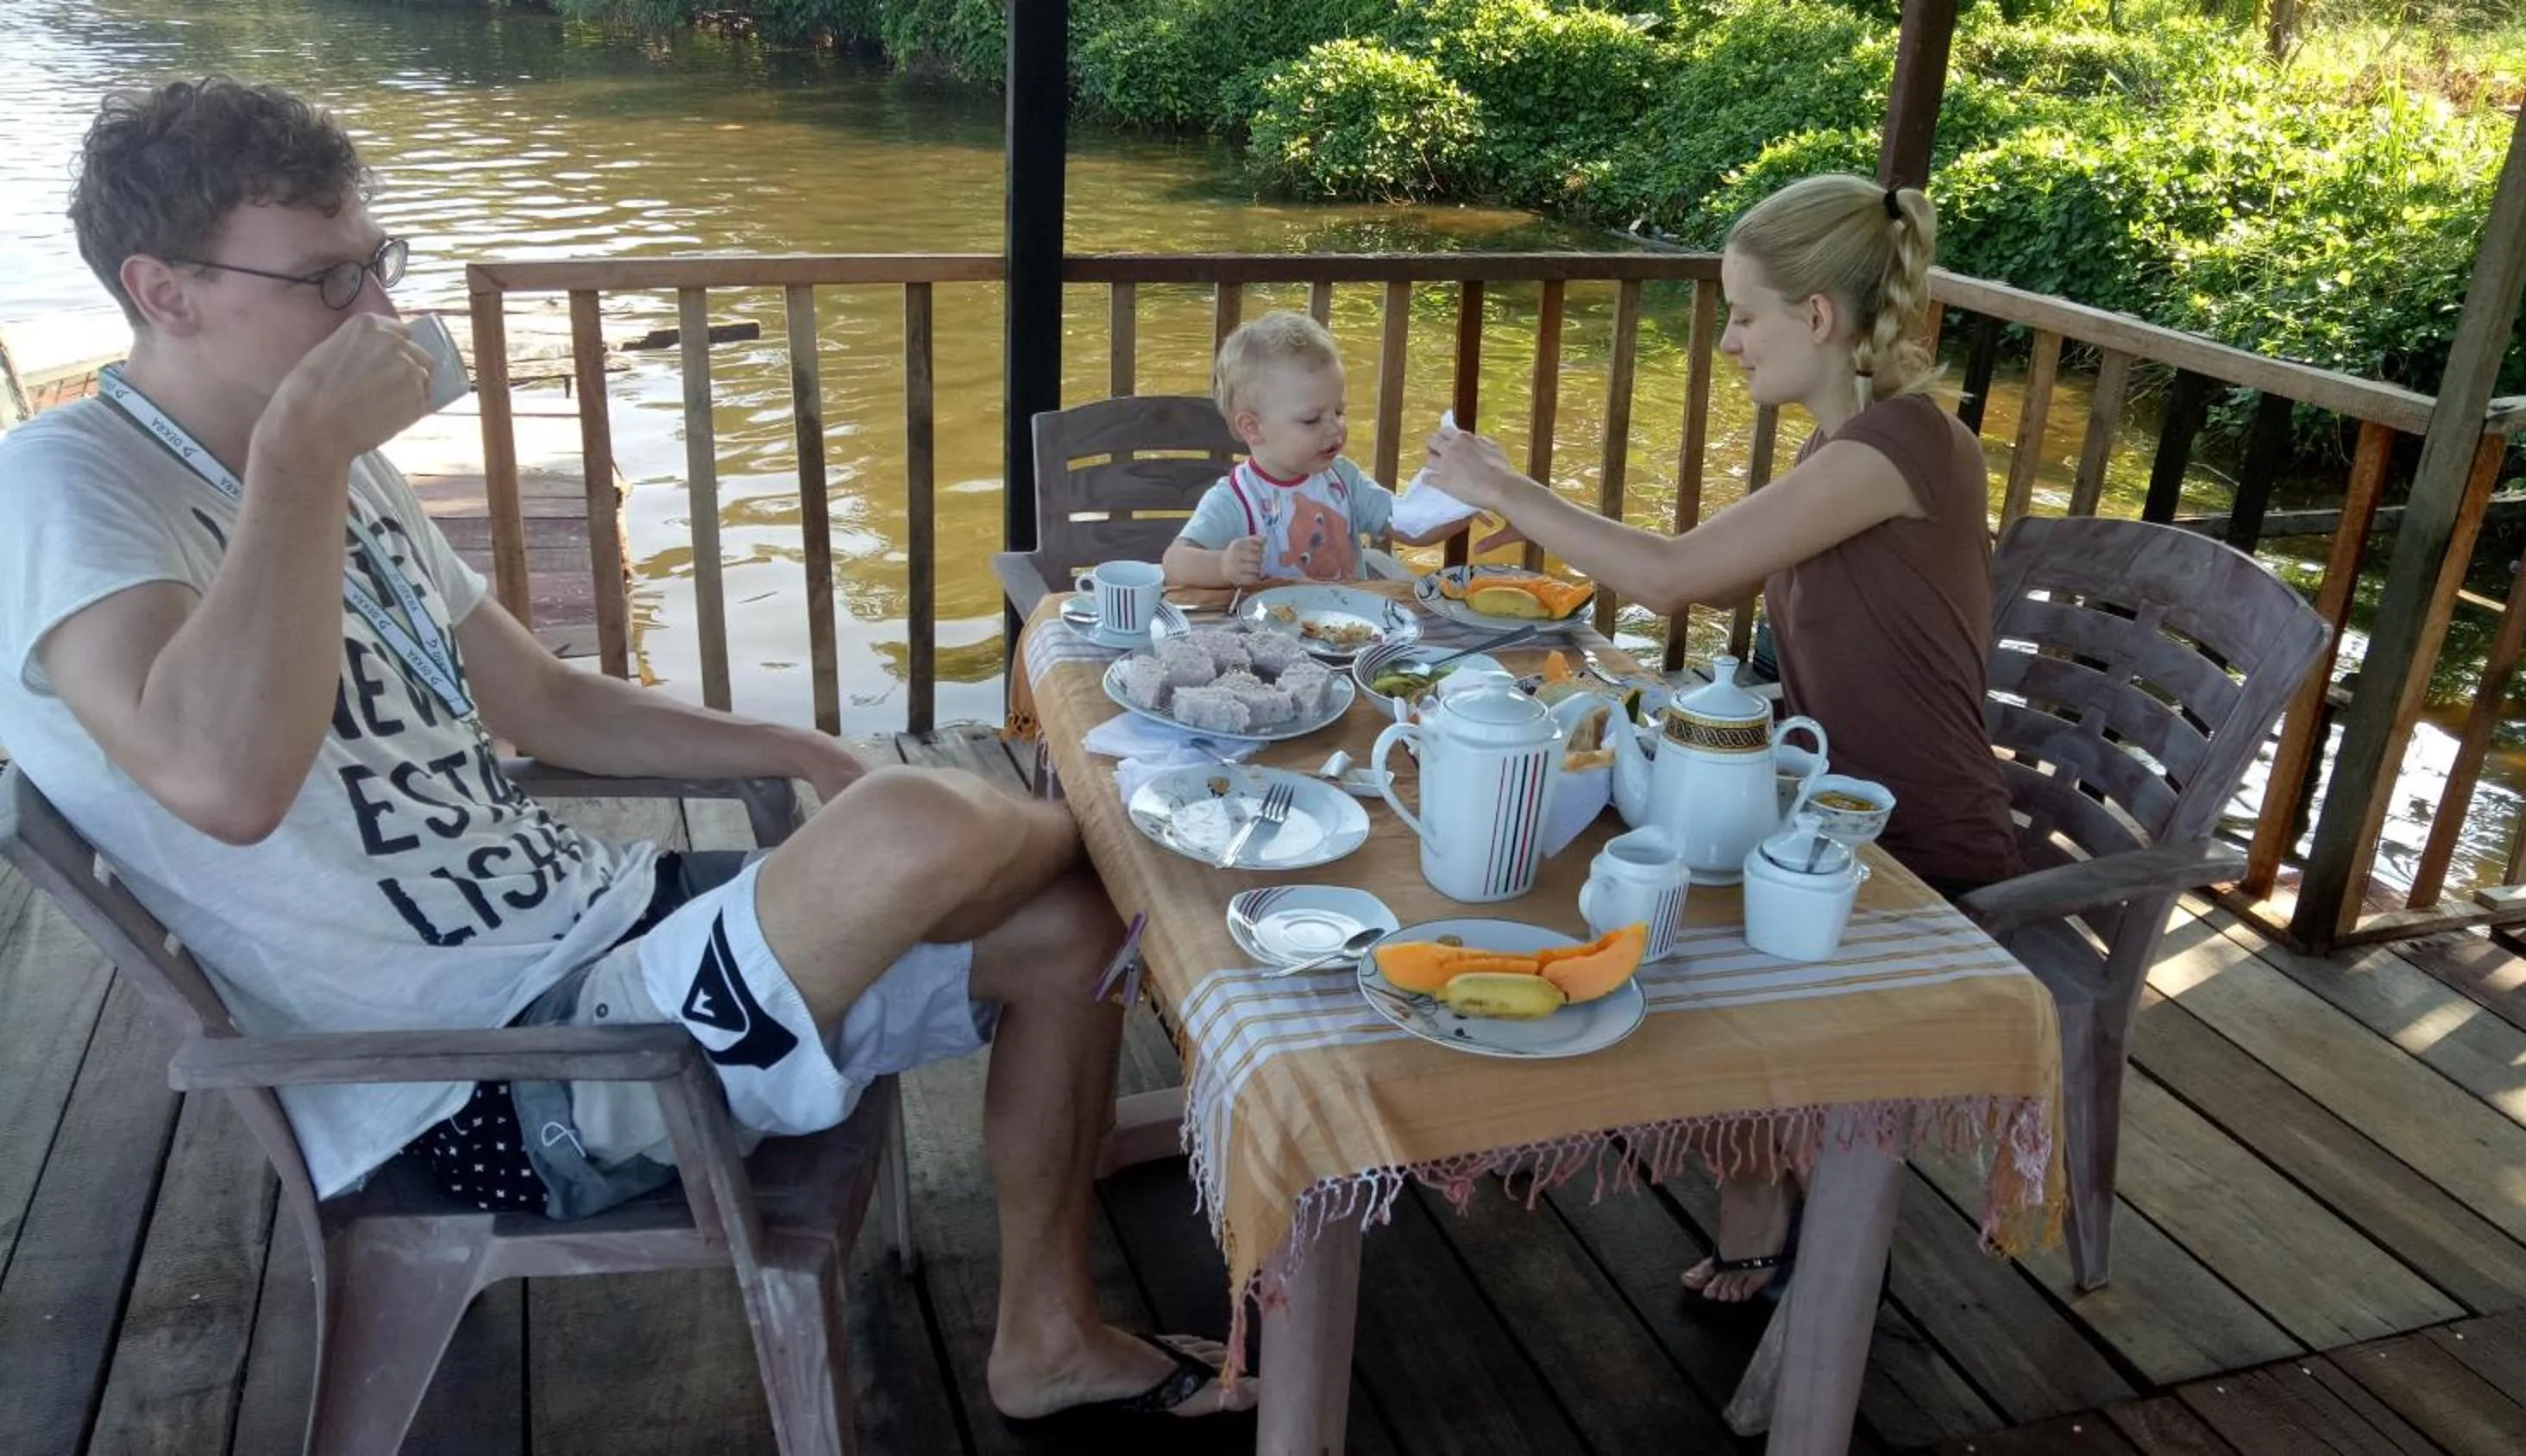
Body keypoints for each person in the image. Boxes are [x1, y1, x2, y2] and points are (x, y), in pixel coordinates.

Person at [0, 78, 1251, 1423]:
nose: (376, 311)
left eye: (379, 262)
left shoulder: (337, 471)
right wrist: (301, 453)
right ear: (164, 291)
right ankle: (1143, 855)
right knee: (923, 830)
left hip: (604, 944)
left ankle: (1046, 1338)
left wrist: (790, 743)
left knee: (1066, 929)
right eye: (325, 279)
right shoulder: (67, 487)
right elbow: (223, 784)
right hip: (486, 1075)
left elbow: (542, 700)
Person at [1423, 173, 2024, 1303]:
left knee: (1639, 913)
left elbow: (1672, 575)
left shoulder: (1901, 448)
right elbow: (1746, 605)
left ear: (1818, 316)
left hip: (1905, 842)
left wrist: (1504, 487)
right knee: (1587, 850)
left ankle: (1755, 1193)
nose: (1730, 342)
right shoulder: (1846, 449)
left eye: (1744, 315)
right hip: (1813, 809)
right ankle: (1529, 1098)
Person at [1163, 310, 1468, 587]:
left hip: (1350, 624)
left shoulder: (1343, 479)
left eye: (1338, 412)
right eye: (1312, 420)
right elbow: (1175, 562)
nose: (1335, 428)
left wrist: (1467, 503)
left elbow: (1410, 526)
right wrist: (1222, 566)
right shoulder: (1235, 499)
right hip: (1271, 628)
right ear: (1252, 428)